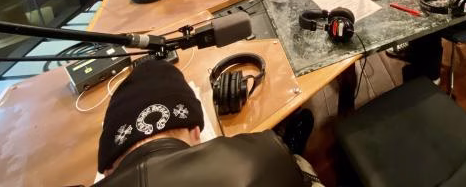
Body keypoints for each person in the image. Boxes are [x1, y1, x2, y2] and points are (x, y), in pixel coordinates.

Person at [94, 59, 320, 186]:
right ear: (195, 132)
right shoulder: (264, 154)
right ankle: (296, 156)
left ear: (108, 170)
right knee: (296, 163)